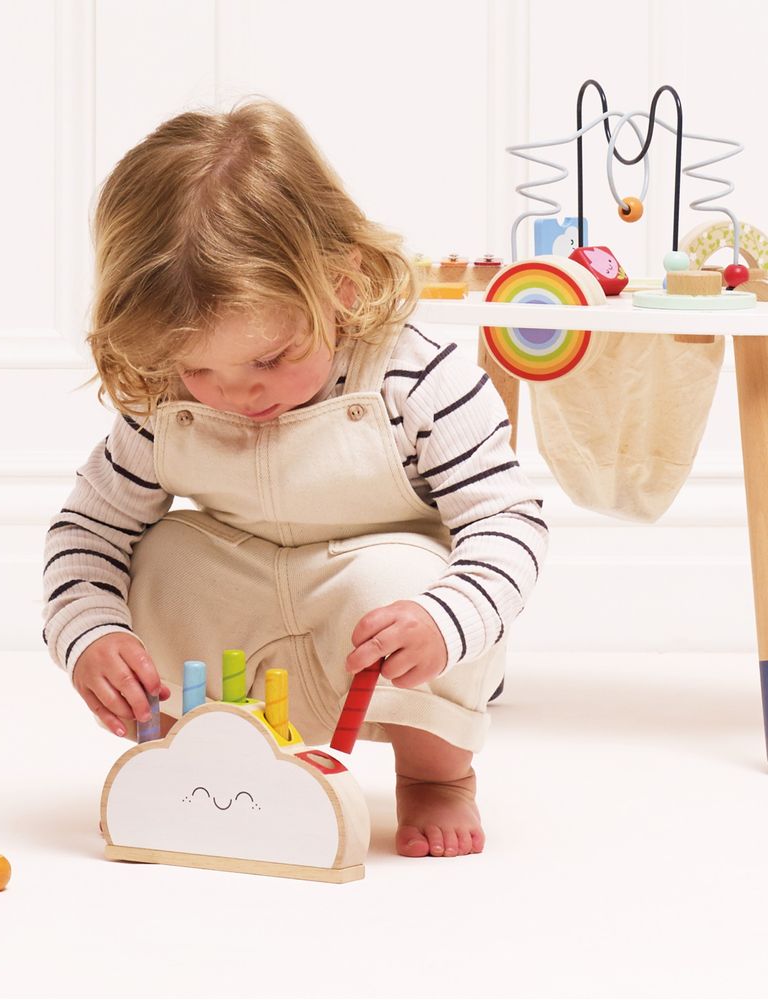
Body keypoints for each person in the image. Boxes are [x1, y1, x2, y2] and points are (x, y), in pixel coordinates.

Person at [42, 98, 548, 858]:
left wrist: (445, 621)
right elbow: (87, 533)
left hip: (379, 632)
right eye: (198, 369)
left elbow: (508, 522)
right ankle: (194, 761)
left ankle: (435, 774)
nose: (236, 393)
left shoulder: (417, 376)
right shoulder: (163, 403)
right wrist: (90, 634)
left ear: (339, 285)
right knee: (163, 558)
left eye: (270, 359)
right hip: (243, 614)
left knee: (404, 578)